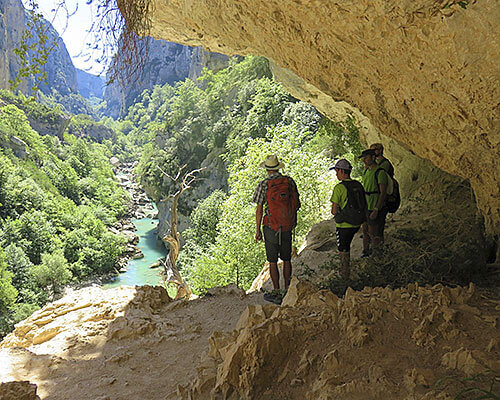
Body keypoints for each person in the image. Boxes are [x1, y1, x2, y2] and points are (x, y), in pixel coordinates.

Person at [253, 155, 300, 301]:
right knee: (287, 259)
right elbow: (296, 204)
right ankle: (287, 288)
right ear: (278, 167)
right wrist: (292, 221)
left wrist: (258, 230)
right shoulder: (289, 181)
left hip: (270, 226)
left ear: (267, 169)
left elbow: (259, 209)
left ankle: (277, 291)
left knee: (272, 261)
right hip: (286, 225)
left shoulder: (264, 185)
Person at [330, 159, 365, 279]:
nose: (336, 174)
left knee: (343, 251)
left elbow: (334, 211)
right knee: (348, 247)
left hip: (344, 225)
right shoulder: (358, 185)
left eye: (336, 171)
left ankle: (345, 276)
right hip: (357, 223)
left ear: (341, 171)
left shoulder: (339, 188)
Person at [359, 149, 388, 257]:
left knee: (375, 233)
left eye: (366, 158)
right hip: (367, 205)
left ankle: (378, 255)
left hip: (375, 206)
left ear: (372, 157)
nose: (364, 161)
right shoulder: (366, 171)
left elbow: (383, 193)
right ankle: (366, 251)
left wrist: (377, 209)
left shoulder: (380, 173)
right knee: (365, 230)